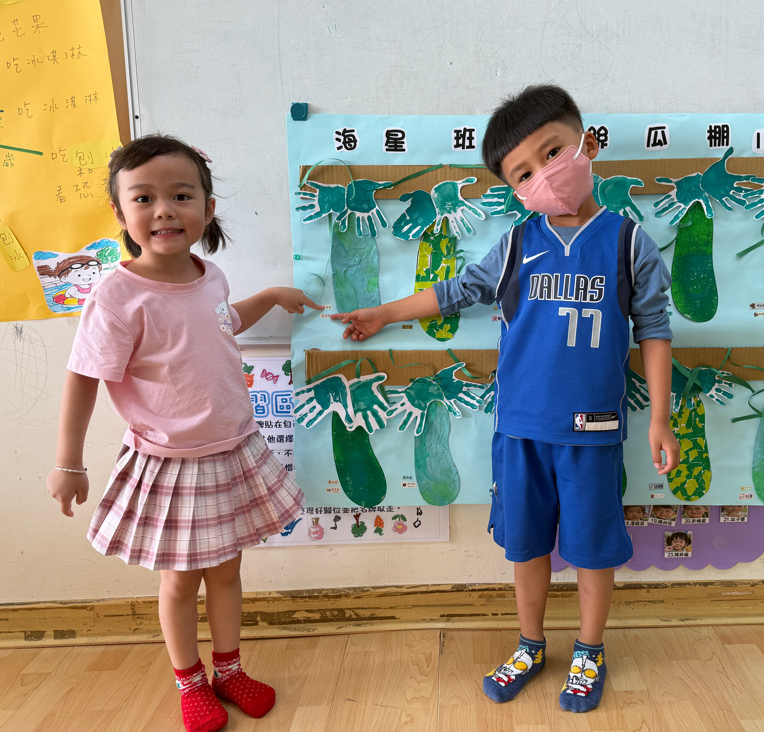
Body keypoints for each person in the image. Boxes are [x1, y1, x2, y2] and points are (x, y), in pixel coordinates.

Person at [330, 85, 679, 713]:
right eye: (524, 172)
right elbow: (456, 291)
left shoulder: (630, 243)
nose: (544, 173)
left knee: (594, 548)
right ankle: (530, 643)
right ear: (514, 189)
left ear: (587, 144)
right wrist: (384, 312)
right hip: (520, 428)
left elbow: (654, 330)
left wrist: (660, 418)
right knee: (526, 543)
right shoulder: (517, 244)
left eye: (553, 152)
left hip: (595, 430)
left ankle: (590, 650)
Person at [45, 135, 321, 732]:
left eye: (181, 195)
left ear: (208, 208)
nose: (164, 210)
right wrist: (69, 462)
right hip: (172, 463)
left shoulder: (209, 275)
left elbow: (220, 321)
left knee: (227, 571)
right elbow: (84, 377)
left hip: (232, 451)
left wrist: (271, 296)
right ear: (121, 213)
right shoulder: (117, 297)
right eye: (144, 198)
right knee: (180, 582)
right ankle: (189, 681)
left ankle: (230, 669)